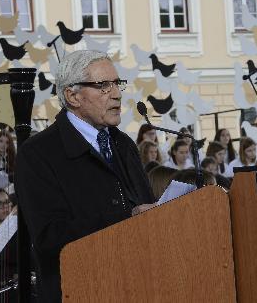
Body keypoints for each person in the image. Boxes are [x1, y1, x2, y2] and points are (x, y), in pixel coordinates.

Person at [15, 50, 155, 302]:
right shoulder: (37, 153)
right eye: (103, 86)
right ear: (73, 96)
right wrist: (127, 218)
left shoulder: (123, 143)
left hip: (136, 284)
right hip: (79, 290)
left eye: (116, 83)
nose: (116, 93)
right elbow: (49, 237)